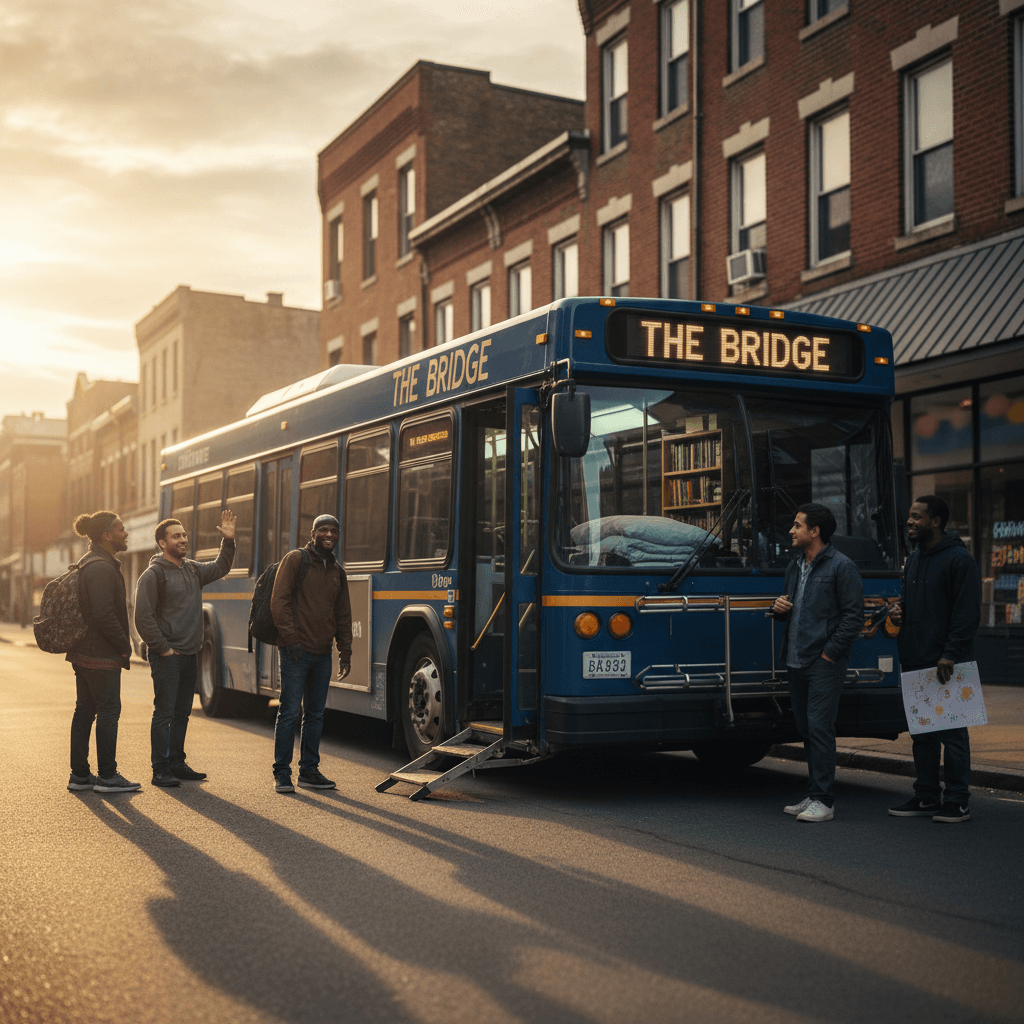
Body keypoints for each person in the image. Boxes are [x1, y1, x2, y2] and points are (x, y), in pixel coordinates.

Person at [887, 495, 981, 823]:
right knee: (923, 735)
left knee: (952, 734)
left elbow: (967, 613)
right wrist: (900, 612)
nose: (909, 522)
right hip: (916, 657)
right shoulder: (914, 559)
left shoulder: (959, 560)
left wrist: (951, 654)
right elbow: (912, 603)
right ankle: (926, 795)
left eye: (917, 517)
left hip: (947, 662)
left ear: (936, 522)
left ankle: (957, 800)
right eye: (909, 516)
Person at [772, 503, 864, 822]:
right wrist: (777, 608)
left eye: (797, 525)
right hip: (795, 659)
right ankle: (813, 794)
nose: (791, 530)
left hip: (823, 662)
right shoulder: (795, 566)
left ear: (815, 531)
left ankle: (824, 801)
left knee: (820, 728)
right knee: (807, 729)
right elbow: (789, 609)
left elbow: (854, 618)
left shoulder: (842, 566)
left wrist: (829, 654)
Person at [134, 511, 235, 787]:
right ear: (162, 543)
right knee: (164, 713)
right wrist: (164, 649)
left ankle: (177, 763)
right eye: (176, 536)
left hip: (191, 654)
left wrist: (228, 541)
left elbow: (221, 567)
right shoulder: (153, 575)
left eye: (184, 535)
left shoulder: (192, 569)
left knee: (182, 713)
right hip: (167, 657)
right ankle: (160, 769)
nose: (183, 540)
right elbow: (143, 618)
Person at [270, 514, 352, 793]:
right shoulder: (296, 559)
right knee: (289, 712)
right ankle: (282, 773)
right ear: (313, 533)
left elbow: (343, 613)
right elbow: (279, 601)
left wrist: (345, 651)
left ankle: (309, 771)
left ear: (338, 536)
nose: (329, 535)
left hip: (322, 654)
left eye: (334, 531)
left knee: (315, 715)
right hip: (295, 651)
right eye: (323, 530)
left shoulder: (337, 571)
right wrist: (291, 640)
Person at [67, 511, 141, 793]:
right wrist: (124, 645)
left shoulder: (92, 562)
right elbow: (103, 614)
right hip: (99, 655)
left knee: (85, 711)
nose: (126, 533)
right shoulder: (101, 568)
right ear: (107, 535)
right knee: (108, 711)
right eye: (121, 529)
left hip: (85, 652)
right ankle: (108, 776)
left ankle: (80, 775)